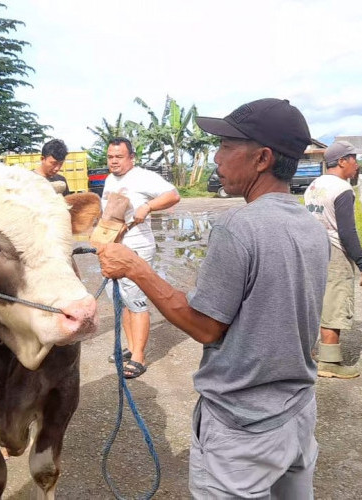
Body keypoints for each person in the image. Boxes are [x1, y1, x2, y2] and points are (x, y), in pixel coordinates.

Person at [98, 98, 329, 497]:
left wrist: (136, 268)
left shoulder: (238, 226)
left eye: (225, 146)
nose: (216, 157)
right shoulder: (311, 228)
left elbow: (206, 327)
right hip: (297, 412)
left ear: (262, 158)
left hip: (243, 426)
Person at [101, 137, 180, 378]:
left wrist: (148, 207)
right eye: (110, 157)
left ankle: (139, 356)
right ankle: (131, 346)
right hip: (114, 246)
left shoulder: (142, 176)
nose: (114, 161)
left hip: (138, 247)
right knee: (122, 299)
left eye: (119, 157)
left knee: (135, 300)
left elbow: (173, 195)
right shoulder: (109, 179)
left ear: (131, 158)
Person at [304, 140, 362, 379]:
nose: (357, 165)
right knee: (335, 302)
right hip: (334, 251)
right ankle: (329, 362)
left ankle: (310, 352)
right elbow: (347, 232)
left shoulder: (314, 185)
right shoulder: (342, 189)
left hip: (313, 249)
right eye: (354, 159)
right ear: (342, 161)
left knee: (317, 301)